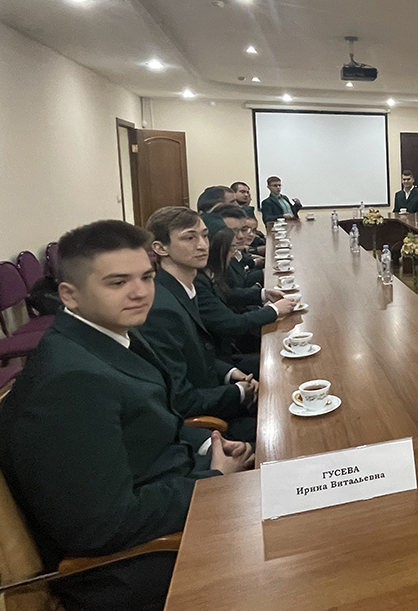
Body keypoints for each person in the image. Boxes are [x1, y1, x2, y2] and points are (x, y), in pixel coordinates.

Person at [0, 220, 253, 611]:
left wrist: (209, 443)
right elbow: (103, 525)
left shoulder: (105, 335)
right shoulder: (70, 381)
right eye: (117, 282)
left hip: (172, 490)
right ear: (70, 295)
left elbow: (154, 420)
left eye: (146, 277)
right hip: (132, 566)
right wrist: (212, 482)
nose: (140, 292)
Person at [138, 207, 259, 442]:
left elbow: (198, 355)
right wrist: (239, 392)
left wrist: (231, 373)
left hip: (218, 393)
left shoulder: (185, 287)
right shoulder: (161, 308)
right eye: (189, 238)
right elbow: (181, 399)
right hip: (206, 428)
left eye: (204, 235)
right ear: (160, 248)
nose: (203, 245)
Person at [198, 228, 294, 376]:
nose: (233, 254)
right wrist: (274, 310)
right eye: (231, 249)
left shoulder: (205, 274)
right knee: (281, 361)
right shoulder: (198, 280)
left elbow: (227, 294)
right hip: (221, 360)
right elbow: (231, 323)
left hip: (228, 350)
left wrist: (263, 294)